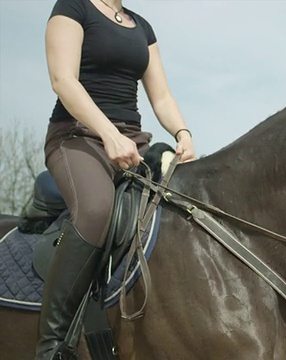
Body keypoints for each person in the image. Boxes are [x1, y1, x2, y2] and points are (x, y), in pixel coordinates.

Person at [36, 0, 197, 358]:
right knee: (96, 210)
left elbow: (162, 96)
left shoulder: (141, 26)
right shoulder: (73, 7)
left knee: (188, 206)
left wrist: (182, 132)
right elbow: (63, 79)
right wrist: (108, 134)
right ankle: (51, 345)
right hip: (77, 137)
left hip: (132, 142)